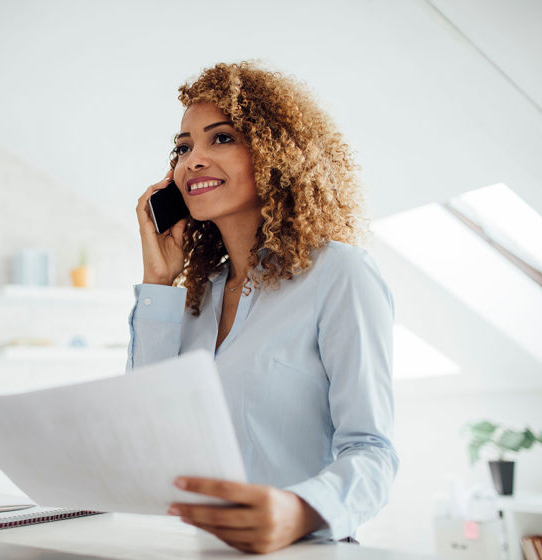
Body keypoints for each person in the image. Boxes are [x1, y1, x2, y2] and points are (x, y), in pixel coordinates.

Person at [128, 61, 398, 555]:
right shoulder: (193, 298)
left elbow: (372, 451)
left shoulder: (339, 274)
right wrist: (159, 284)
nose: (193, 161)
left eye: (221, 138)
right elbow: (145, 432)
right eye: (183, 147)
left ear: (276, 153)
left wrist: (298, 511)